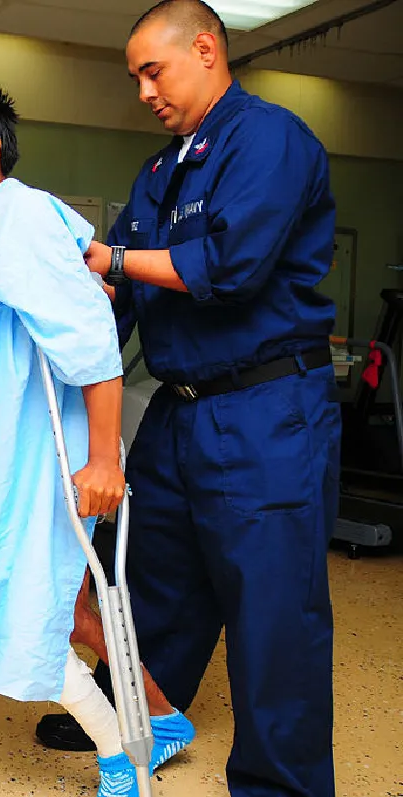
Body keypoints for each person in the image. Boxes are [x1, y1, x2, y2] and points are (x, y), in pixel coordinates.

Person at [39, 2, 341, 795]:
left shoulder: (267, 138)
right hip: (178, 409)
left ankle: (281, 785)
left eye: (152, 70)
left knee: (272, 614)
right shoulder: (161, 170)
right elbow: (120, 299)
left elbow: (228, 265)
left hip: (265, 407)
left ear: (204, 50)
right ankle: (146, 721)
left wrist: (111, 254)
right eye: (134, 76)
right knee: (143, 578)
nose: (142, 90)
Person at [0, 77, 150, 797]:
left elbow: (95, 345)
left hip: (39, 446)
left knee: (32, 608)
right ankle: (146, 727)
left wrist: (105, 458)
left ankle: (121, 755)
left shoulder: (27, 217)